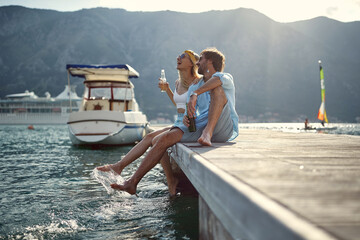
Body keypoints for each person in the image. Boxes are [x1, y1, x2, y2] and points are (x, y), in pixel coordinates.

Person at [110, 47, 239, 195]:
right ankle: (132, 182)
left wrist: (195, 94)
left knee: (217, 89)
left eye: (200, 59)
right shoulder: (194, 87)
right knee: (164, 138)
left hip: (223, 128)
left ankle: (207, 133)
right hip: (202, 124)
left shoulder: (224, 77)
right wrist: (188, 117)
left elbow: (216, 81)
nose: (197, 62)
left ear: (209, 61)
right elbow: (191, 110)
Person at [97, 50, 201, 196]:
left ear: (192, 63)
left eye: (183, 56)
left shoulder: (198, 82)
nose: (178, 57)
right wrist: (168, 90)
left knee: (157, 140)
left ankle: (160, 181)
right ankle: (118, 166)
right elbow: (179, 105)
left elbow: (199, 106)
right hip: (179, 121)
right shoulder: (178, 83)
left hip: (189, 123)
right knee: (149, 137)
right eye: (178, 55)